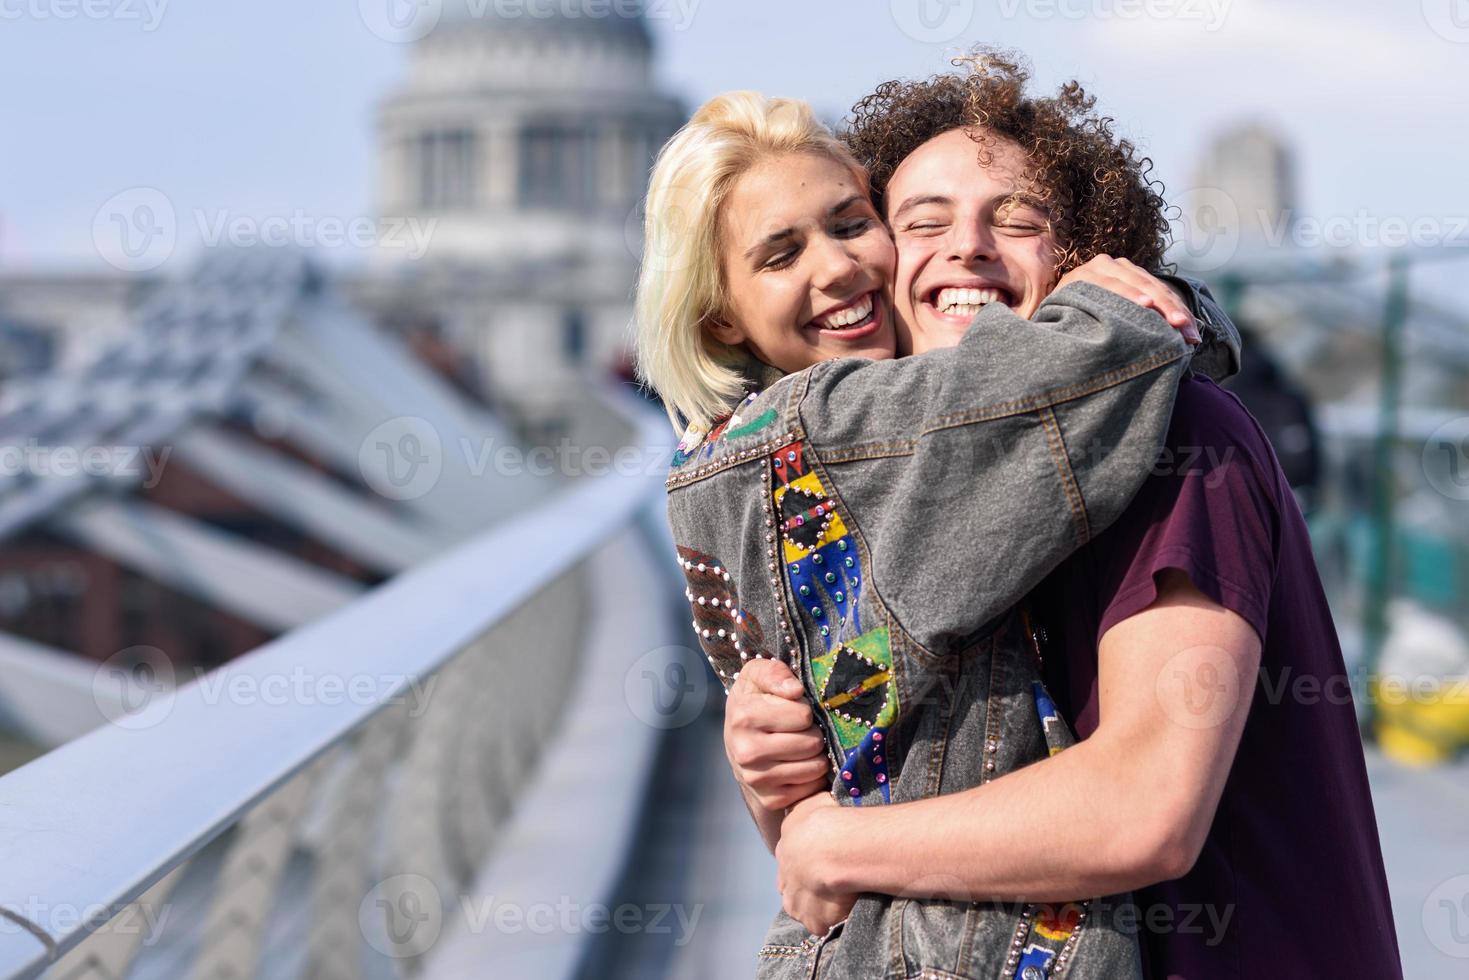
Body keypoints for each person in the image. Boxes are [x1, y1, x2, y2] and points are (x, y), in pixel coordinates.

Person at [729, 55, 1402, 979]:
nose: (966, 246)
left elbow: (1143, 811)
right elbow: (868, 847)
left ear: (1089, 255)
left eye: (1017, 221)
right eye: (920, 223)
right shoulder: (909, 486)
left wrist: (830, 843)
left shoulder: (1180, 438)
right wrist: (776, 776)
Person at [636, 70, 1237, 975]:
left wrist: (794, 807)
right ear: (720, 314)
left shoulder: (722, 470)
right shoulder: (854, 436)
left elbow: (827, 830)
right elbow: (1076, 370)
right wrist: (1146, 308)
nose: (837, 268)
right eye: (778, 254)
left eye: (850, 224)